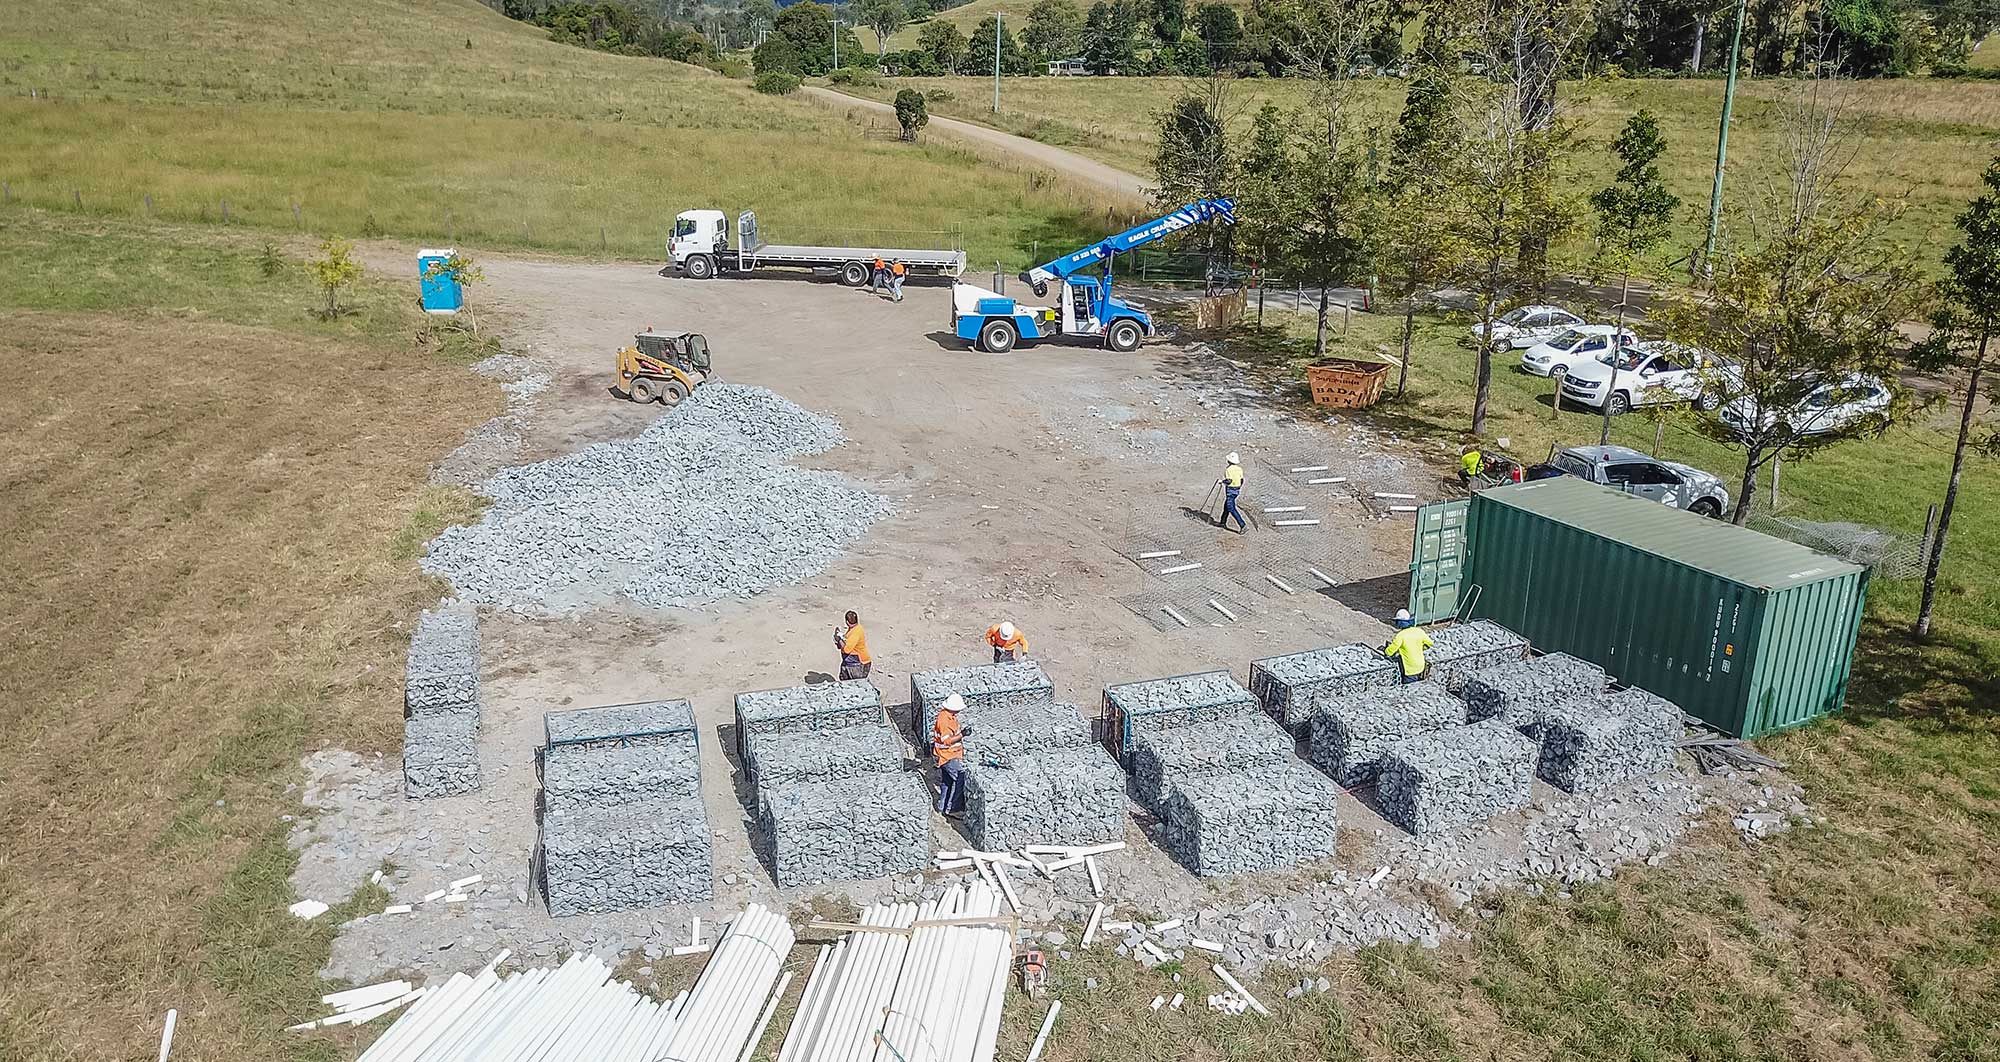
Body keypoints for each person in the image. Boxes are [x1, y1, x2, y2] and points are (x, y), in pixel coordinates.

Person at [931, 693, 971, 816]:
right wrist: (962, 734)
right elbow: (947, 740)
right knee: (960, 778)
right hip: (947, 756)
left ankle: (942, 806)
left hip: (948, 755)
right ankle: (953, 809)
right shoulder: (944, 720)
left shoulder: (949, 716)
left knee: (947, 781)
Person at [1382, 608, 1434, 684]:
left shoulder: (1400, 636)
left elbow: (1389, 652)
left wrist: (1385, 650)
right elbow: (1430, 643)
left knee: (1409, 690)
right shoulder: (1419, 631)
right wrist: (1421, 648)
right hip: (1421, 666)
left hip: (1410, 669)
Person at [834, 610, 871, 680]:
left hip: (858, 664)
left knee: (855, 685)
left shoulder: (856, 632)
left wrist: (839, 639)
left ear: (847, 622)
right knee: (845, 681)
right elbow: (846, 642)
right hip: (850, 662)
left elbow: (846, 650)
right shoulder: (854, 629)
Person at [1218, 451, 1247, 533]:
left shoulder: (1228, 470)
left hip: (1230, 490)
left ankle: (1242, 525)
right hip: (1237, 490)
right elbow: (1242, 480)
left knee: (1231, 508)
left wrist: (1222, 482)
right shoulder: (1239, 469)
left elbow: (1229, 481)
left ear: (1229, 461)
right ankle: (1222, 522)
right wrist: (1238, 487)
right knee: (1227, 505)